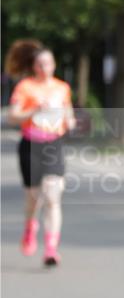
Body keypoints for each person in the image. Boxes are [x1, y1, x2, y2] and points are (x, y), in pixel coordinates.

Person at [5, 39, 76, 267]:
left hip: (53, 144)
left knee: (53, 196)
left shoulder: (62, 88)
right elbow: (12, 117)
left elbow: (69, 115)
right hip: (30, 145)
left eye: (49, 64)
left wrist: (71, 122)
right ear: (34, 66)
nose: (45, 68)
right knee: (34, 198)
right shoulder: (25, 87)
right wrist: (34, 109)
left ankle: (51, 248)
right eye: (41, 64)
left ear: (54, 65)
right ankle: (30, 227)